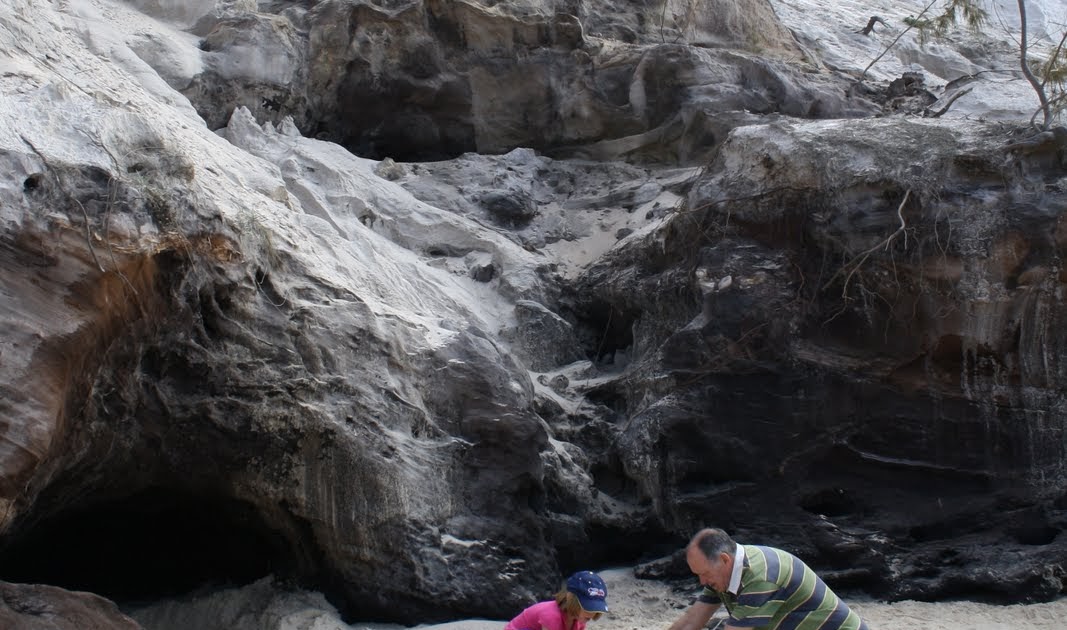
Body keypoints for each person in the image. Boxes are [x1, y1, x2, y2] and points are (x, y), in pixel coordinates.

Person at [668, 528, 869, 630]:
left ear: (724, 560)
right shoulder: (724, 574)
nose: (702, 582)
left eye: (704, 573)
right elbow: (690, 622)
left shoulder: (760, 577)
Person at [505, 570, 609, 630]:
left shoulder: (580, 620)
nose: (593, 613)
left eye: (597, 607)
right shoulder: (552, 616)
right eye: (589, 606)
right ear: (572, 600)